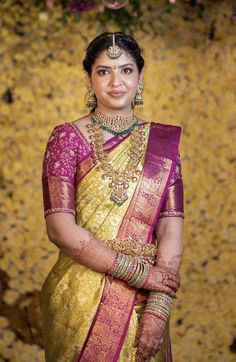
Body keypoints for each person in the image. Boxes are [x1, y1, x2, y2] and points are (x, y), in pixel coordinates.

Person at [40, 32, 184, 362]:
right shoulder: (67, 138)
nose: (116, 81)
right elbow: (60, 229)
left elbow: (171, 230)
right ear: (89, 79)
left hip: (145, 303)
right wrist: (144, 275)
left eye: (126, 70)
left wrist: (159, 307)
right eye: (104, 71)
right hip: (80, 296)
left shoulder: (164, 146)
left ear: (140, 77)